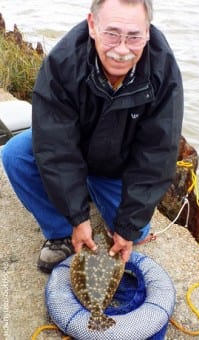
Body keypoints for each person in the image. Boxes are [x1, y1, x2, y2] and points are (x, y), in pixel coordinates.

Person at [2, 0, 183, 273]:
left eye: (134, 36)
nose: (122, 50)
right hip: (76, 149)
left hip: (118, 166)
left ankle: (91, 190)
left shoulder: (163, 70)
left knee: (136, 230)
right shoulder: (63, 63)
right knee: (15, 153)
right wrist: (77, 219)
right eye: (111, 34)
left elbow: (157, 153)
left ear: (148, 31)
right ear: (92, 26)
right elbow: (54, 145)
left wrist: (127, 226)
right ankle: (60, 232)